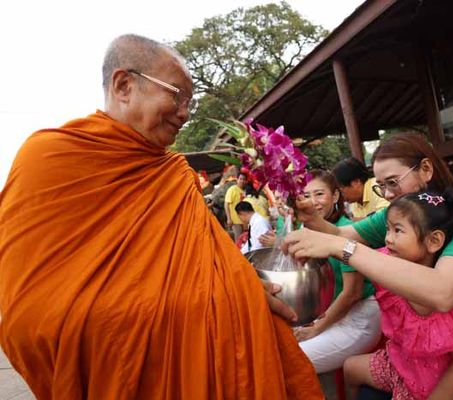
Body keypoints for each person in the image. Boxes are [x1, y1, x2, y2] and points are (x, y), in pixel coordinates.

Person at [0, 34, 322, 399]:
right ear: (124, 85)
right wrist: (157, 316)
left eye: (189, 101)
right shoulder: (49, 158)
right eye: (176, 95)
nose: (185, 112)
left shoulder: (172, 174)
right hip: (108, 368)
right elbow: (28, 315)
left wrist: (239, 286)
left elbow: (200, 258)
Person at [283, 132, 453, 399]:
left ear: (425, 169)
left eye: (393, 182)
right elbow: (344, 235)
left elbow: (444, 292)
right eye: (381, 185)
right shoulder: (400, 214)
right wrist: (312, 220)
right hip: (430, 359)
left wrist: (342, 249)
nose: (388, 194)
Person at [343, 190, 453, 400]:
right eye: (387, 229)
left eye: (397, 230)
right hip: (398, 361)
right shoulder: (387, 263)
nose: (387, 239)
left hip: (436, 380)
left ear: (433, 241)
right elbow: (352, 253)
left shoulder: (451, 298)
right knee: (349, 368)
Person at [294, 170, 381, 373]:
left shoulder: (346, 231)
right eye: (306, 195)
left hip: (357, 319)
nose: (313, 202)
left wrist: (316, 328)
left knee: (291, 362)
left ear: (335, 196)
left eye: (319, 194)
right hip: (329, 314)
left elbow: (352, 293)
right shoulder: (306, 229)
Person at [224, 172, 247, 240]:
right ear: (237, 179)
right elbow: (226, 204)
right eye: (240, 179)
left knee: (243, 240)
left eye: (244, 179)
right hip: (235, 221)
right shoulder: (232, 189)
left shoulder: (245, 191)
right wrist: (229, 218)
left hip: (244, 221)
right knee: (238, 240)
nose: (242, 181)